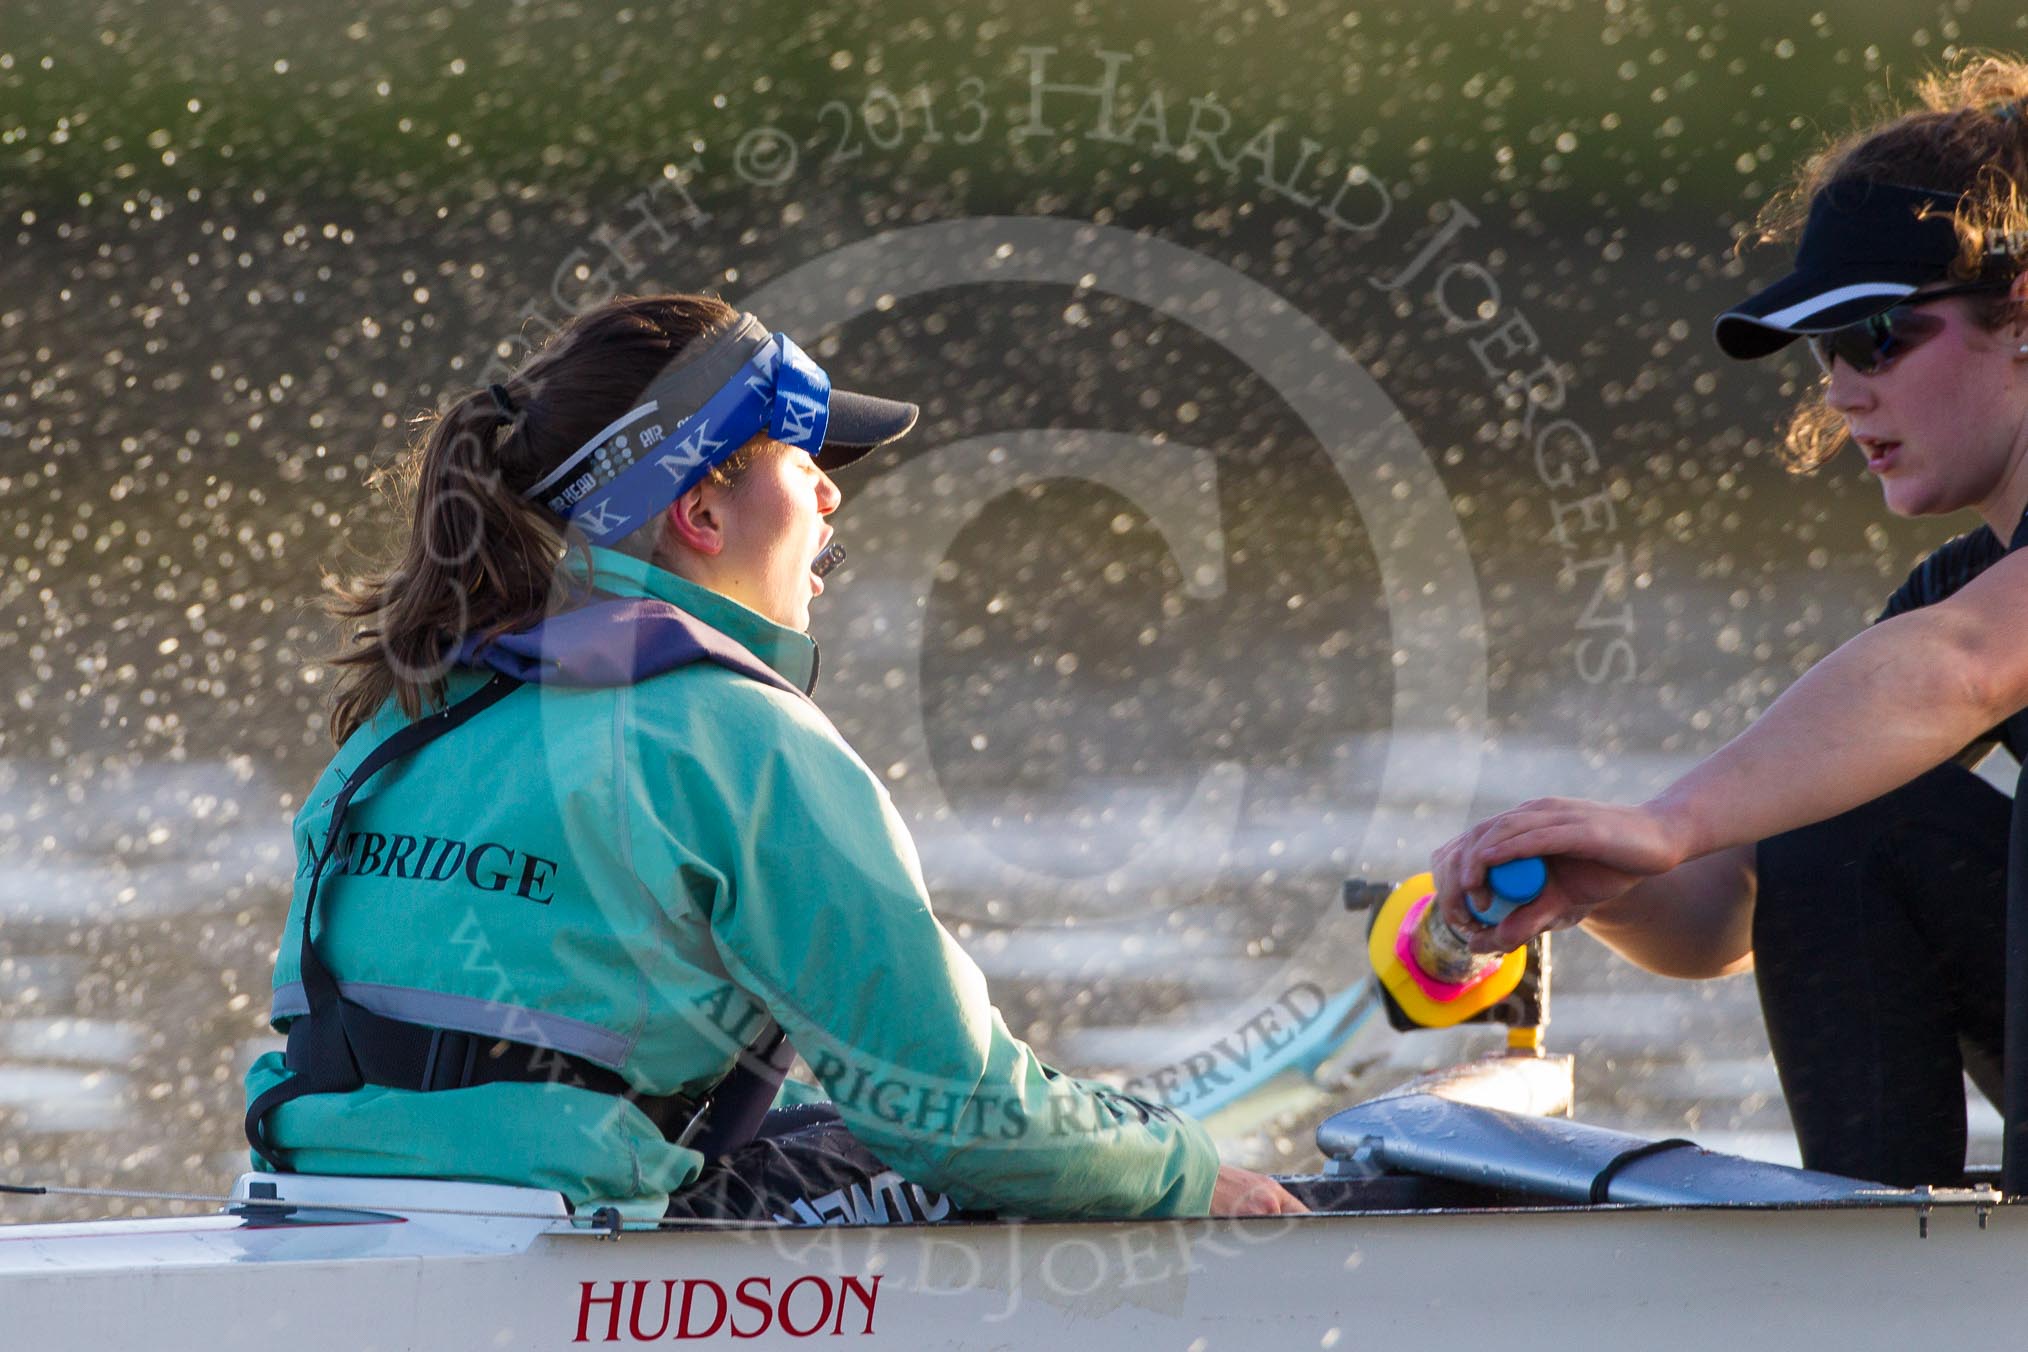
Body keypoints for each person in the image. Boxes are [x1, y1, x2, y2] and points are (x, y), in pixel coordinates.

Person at [242, 291, 1305, 1222]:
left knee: (840, 1116)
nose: (832, 496)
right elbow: (961, 1119)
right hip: (563, 1229)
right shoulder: (739, 732)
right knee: (1016, 1156)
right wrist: (1186, 1173)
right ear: (700, 511)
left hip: (323, 1196)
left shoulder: (419, 704)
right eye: (805, 462)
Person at [1431, 57, 2028, 1188]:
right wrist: (1594, 871)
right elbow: (1727, 911)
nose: (1845, 388)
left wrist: (1672, 814)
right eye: (1825, 352)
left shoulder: (1962, 640)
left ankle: (1888, 1279)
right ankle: (1879, 1266)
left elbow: (1964, 668)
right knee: (1842, 820)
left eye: (1877, 337)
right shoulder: (1957, 592)